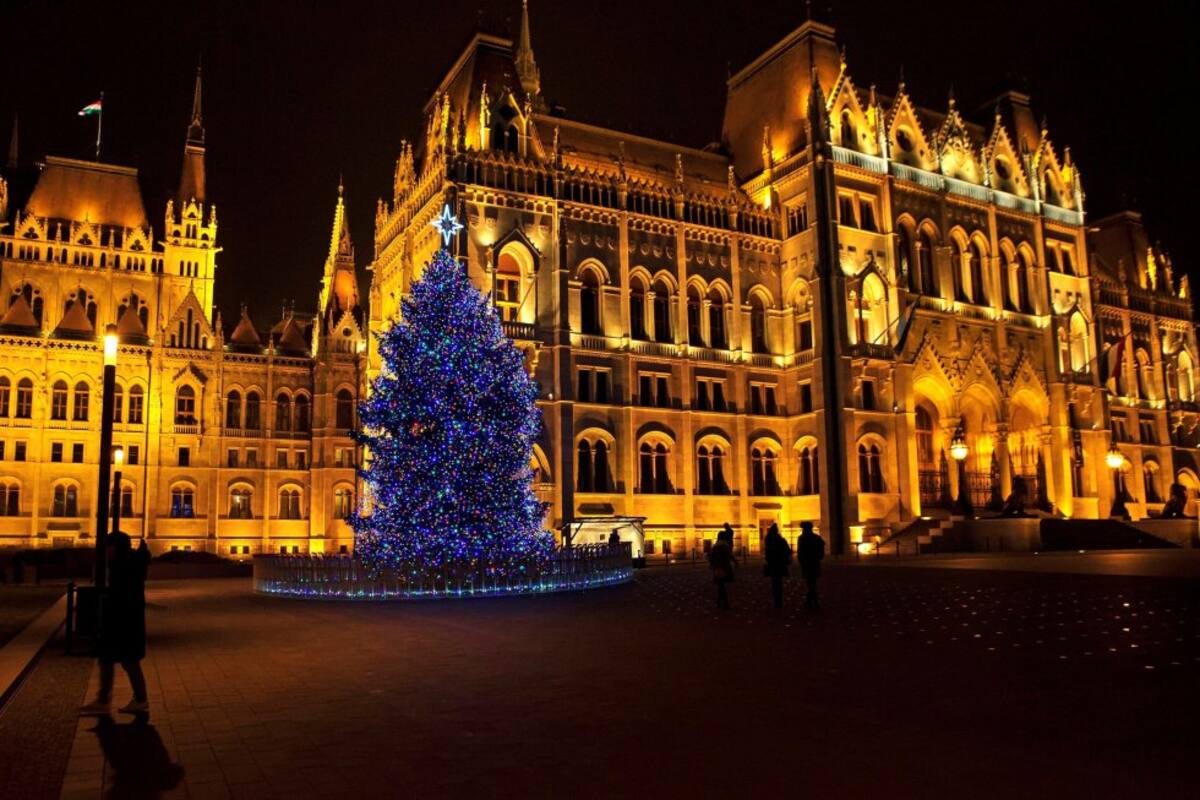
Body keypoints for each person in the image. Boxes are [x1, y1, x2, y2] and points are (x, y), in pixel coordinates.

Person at [82, 532, 151, 715]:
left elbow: (122, 594)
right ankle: (109, 699)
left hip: (123, 620)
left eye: (109, 547)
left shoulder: (123, 566)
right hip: (126, 620)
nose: (107, 551)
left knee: (127, 661)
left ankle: (135, 699)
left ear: (116, 547)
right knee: (115, 660)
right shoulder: (129, 563)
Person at [762, 523, 791, 609]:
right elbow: (788, 551)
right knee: (779, 582)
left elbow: (767, 553)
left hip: (772, 563)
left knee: (775, 582)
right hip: (780, 563)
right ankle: (779, 601)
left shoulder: (768, 540)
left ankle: (776, 601)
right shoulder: (781, 540)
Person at [797, 521, 825, 610]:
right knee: (812, 582)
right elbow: (822, 547)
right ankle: (811, 600)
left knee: (810, 582)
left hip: (807, 562)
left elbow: (800, 551)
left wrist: (801, 560)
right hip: (814, 561)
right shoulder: (816, 537)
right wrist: (819, 557)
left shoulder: (801, 538)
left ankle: (812, 600)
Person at [708, 534, 737, 610]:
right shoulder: (725, 546)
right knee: (722, 586)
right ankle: (725, 603)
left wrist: (712, 565)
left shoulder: (715, 546)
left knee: (721, 585)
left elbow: (711, 557)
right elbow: (730, 556)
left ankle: (719, 602)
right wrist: (735, 562)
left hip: (717, 568)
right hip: (724, 568)